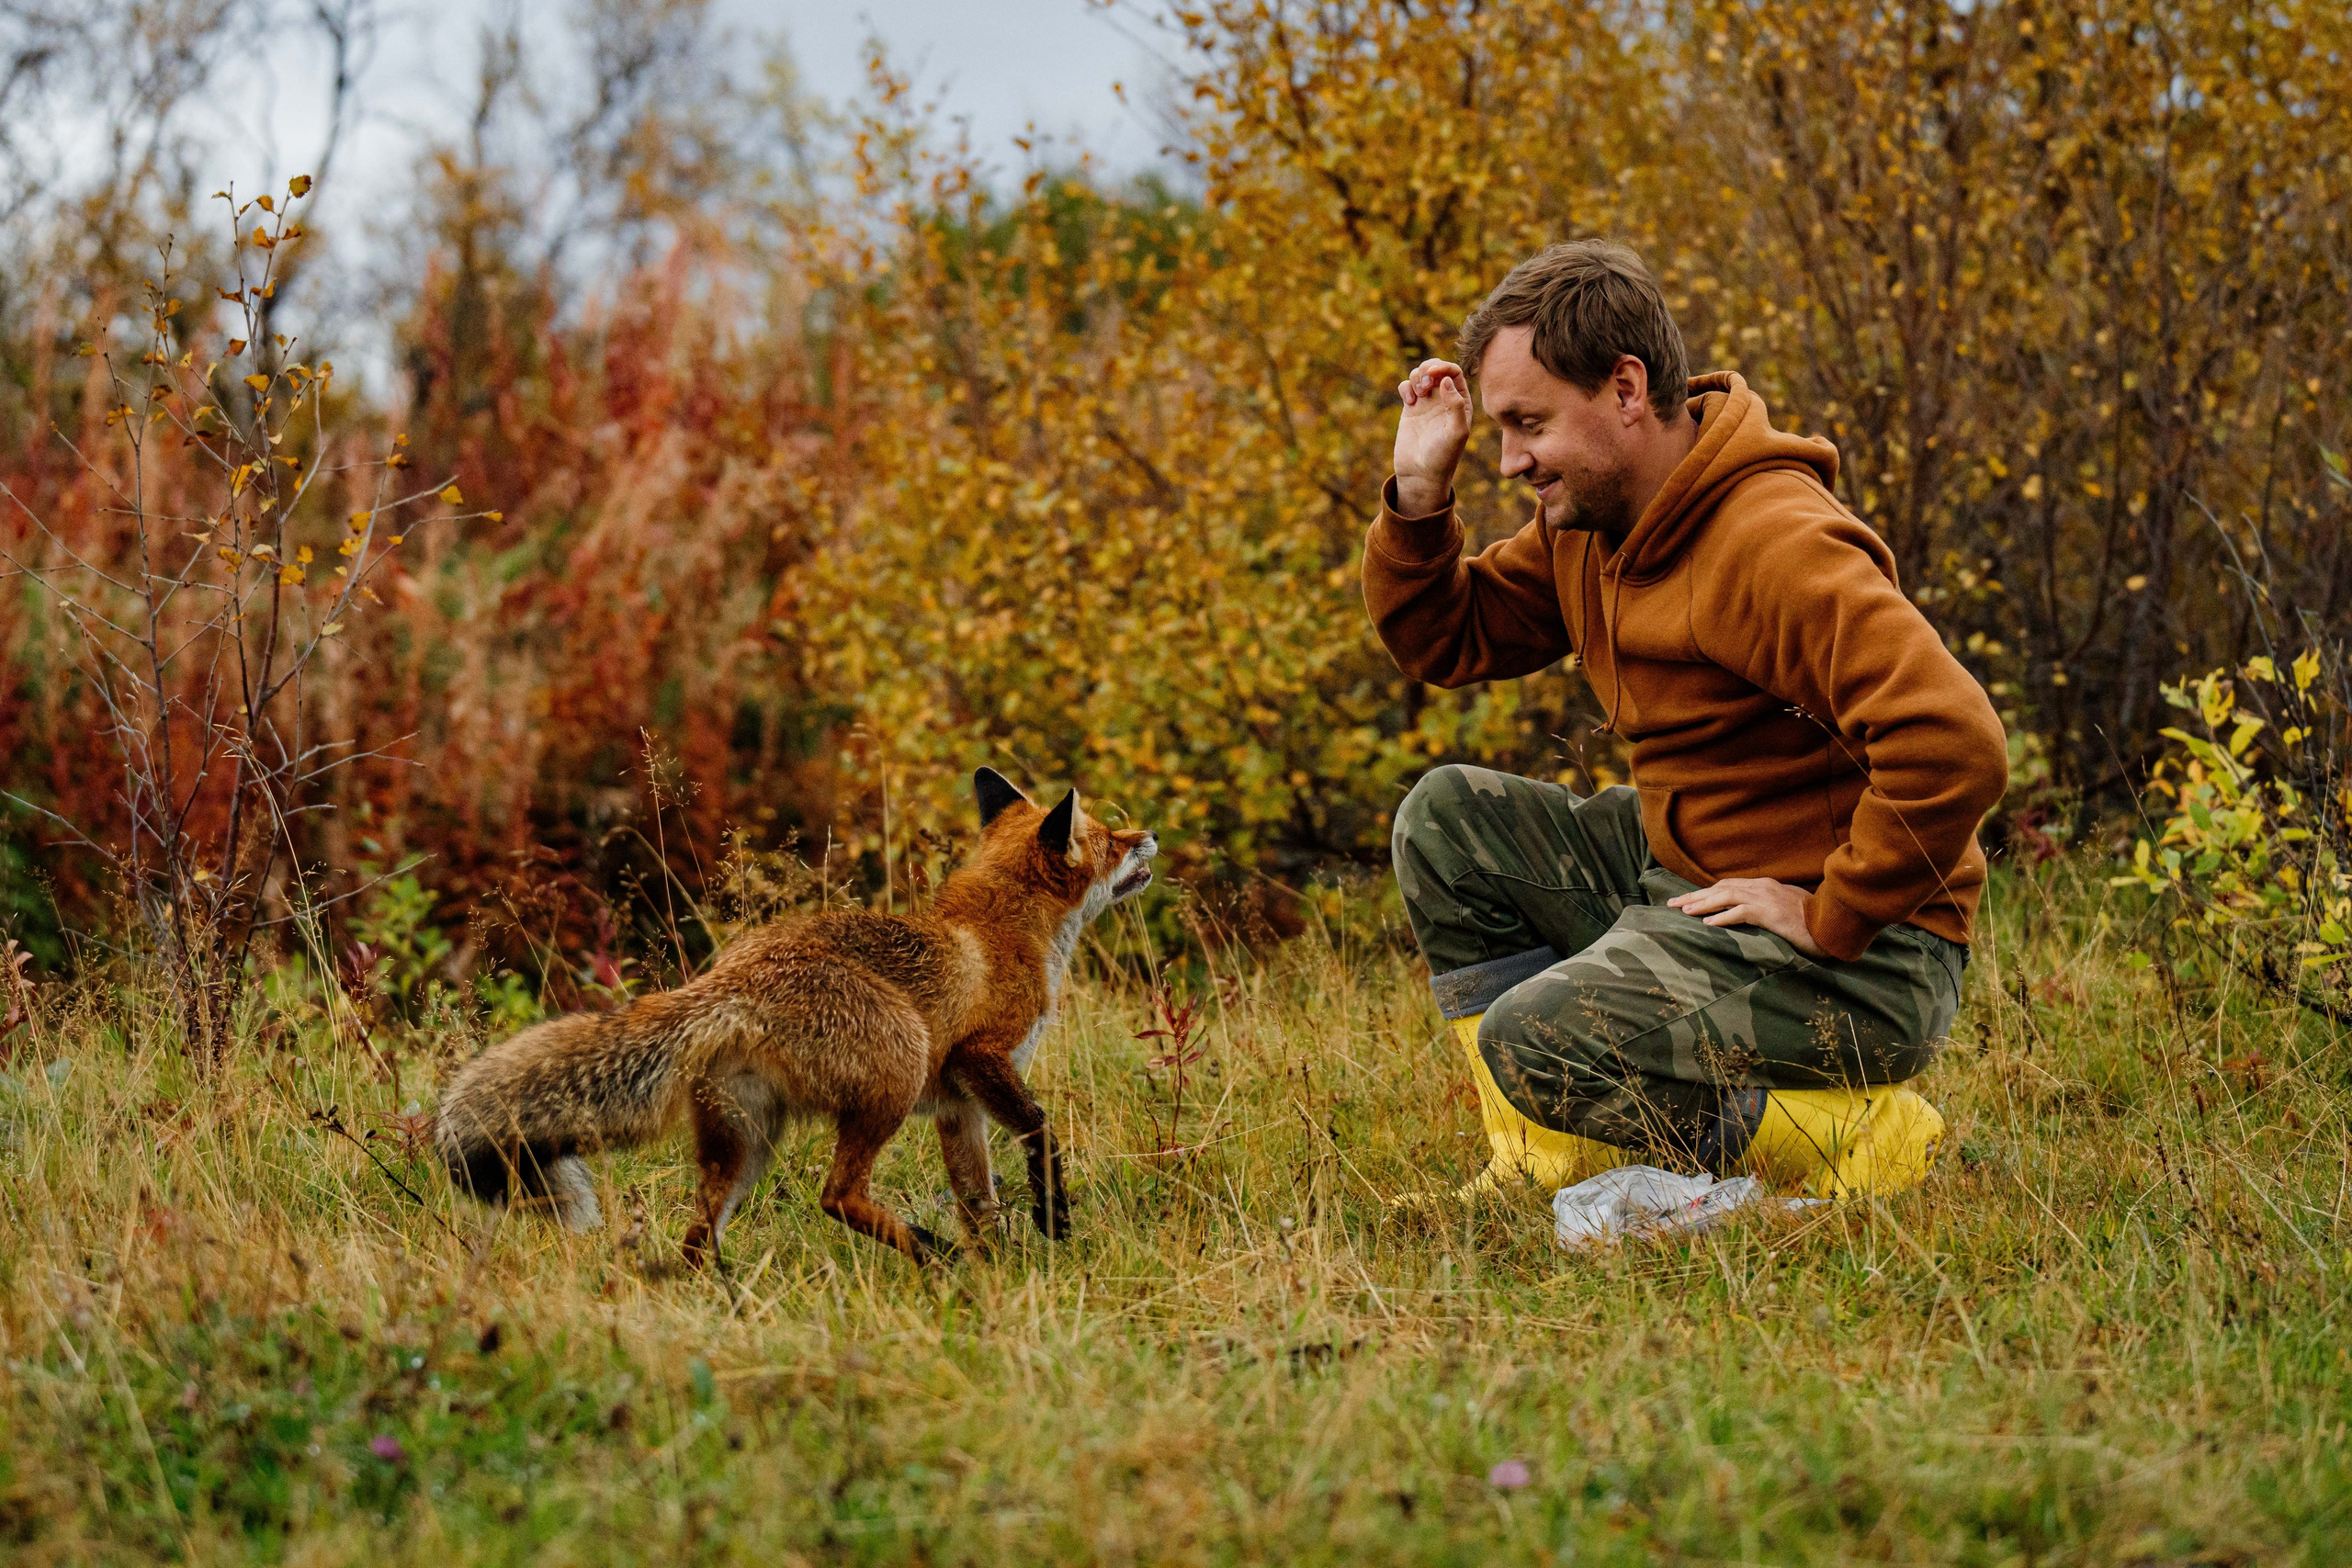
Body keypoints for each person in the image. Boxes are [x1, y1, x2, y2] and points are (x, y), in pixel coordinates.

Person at [1366, 240, 2007, 1201]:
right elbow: (1448, 641)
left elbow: (1953, 740)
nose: (1509, 460)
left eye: (1529, 423)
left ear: (1626, 389)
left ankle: (1857, 1135)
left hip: (1868, 962)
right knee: (1447, 819)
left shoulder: (1772, 541)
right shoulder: (1593, 522)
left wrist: (1832, 912)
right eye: (1499, 428)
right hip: (1694, 879)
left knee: (1535, 1040)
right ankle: (1536, 1154)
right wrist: (1419, 495)